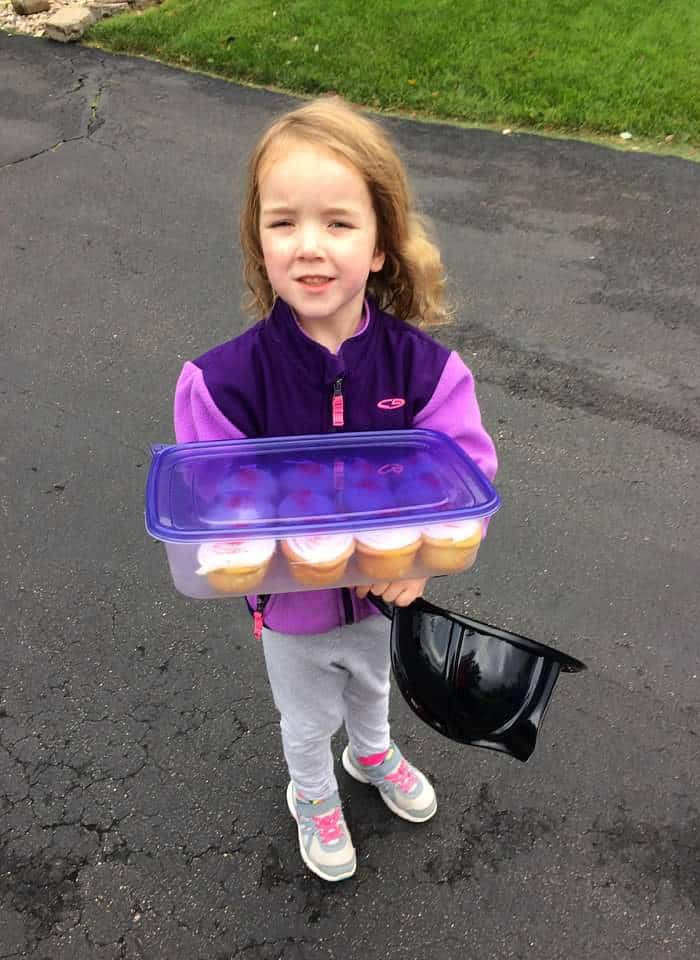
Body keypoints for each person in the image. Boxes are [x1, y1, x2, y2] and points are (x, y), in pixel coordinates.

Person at [174, 97, 498, 882]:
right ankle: (312, 792)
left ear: (381, 244)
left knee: (373, 681)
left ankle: (373, 755)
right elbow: (211, 501)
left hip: (387, 589)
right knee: (307, 713)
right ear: (259, 240)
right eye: (284, 222)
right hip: (291, 604)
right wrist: (255, 552)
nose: (309, 247)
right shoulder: (223, 380)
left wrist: (422, 559)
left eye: (339, 223)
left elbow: (467, 471)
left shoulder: (424, 370)